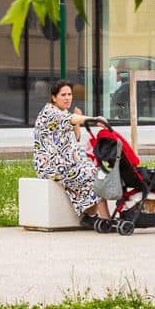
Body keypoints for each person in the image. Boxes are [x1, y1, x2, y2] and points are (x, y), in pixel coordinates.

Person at [32, 80, 113, 227]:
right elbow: (71, 119)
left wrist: (76, 123)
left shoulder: (63, 112)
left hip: (66, 162)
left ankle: (90, 216)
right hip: (51, 166)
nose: (68, 98)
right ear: (54, 97)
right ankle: (106, 220)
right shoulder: (50, 112)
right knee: (92, 174)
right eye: (63, 95)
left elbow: (76, 137)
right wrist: (95, 119)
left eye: (69, 94)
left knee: (94, 172)